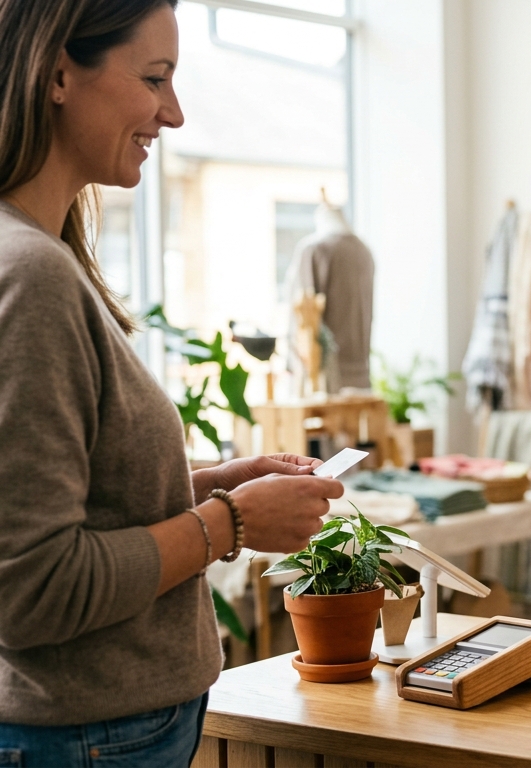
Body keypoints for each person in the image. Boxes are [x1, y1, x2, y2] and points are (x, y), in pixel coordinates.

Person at [0, 1, 341, 764]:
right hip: (84, 737)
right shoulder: (30, 278)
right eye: (155, 77)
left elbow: (61, 504)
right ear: (58, 72)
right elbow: (31, 588)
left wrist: (204, 483)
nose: (176, 113)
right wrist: (232, 521)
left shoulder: (40, 260)